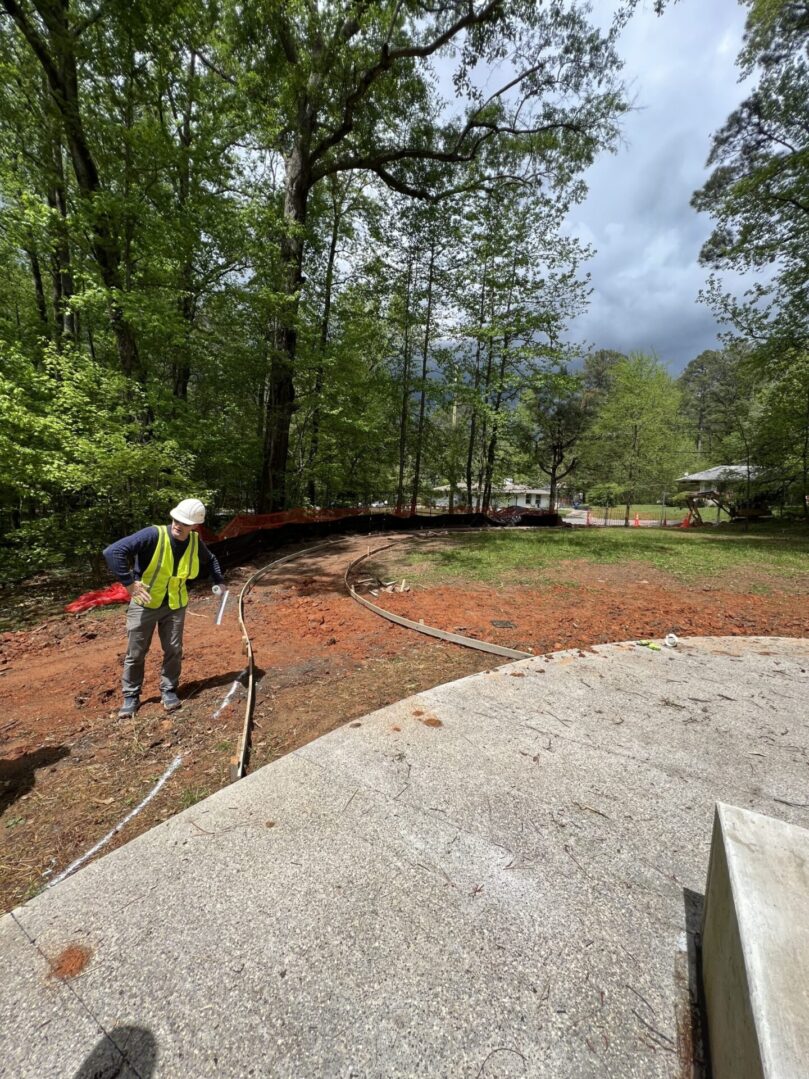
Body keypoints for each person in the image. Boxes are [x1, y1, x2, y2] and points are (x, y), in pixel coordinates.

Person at [102, 499, 225, 719]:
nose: (178, 524)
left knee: (174, 650)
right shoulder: (153, 535)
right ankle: (131, 696)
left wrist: (219, 580)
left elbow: (212, 559)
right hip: (145, 604)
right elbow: (113, 552)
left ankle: (168, 690)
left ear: (195, 526)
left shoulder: (195, 543)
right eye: (176, 519)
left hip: (175, 604)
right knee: (136, 653)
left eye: (185, 522)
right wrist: (129, 583)